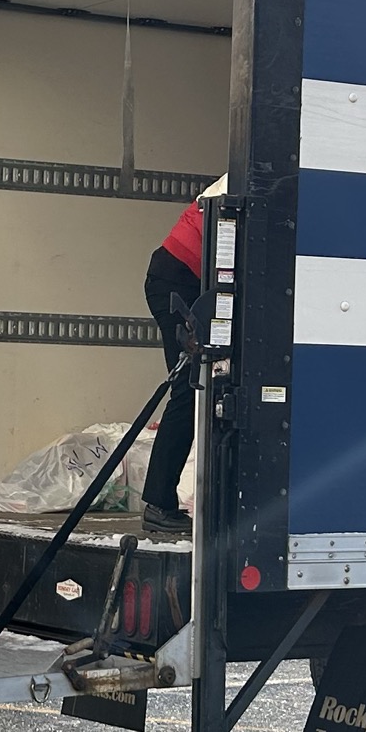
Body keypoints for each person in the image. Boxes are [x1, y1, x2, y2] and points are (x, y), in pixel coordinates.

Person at [138, 175, 226, 536]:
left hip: (181, 278)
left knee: (202, 391)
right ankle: (159, 504)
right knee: (189, 393)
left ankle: (169, 502)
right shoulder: (249, 177)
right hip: (177, 280)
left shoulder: (241, 174)